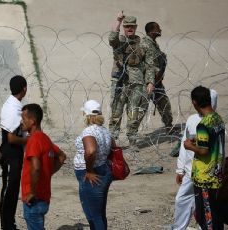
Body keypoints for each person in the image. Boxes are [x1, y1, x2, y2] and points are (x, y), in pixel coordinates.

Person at [172, 89, 218, 230]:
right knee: (182, 200)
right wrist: (180, 169)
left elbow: (204, 149)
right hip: (191, 171)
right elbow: (183, 146)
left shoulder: (209, 122)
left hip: (204, 173)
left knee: (204, 205)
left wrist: (190, 146)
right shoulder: (194, 120)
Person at [108, 11, 154, 144]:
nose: (129, 28)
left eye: (132, 26)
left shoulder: (143, 44)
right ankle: (113, 140)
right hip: (120, 81)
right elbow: (112, 38)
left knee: (133, 112)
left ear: (136, 27)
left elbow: (150, 64)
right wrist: (118, 20)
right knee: (116, 111)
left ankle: (132, 138)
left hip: (137, 82)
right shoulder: (120, 41)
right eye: (127, 26)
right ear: (123, 27)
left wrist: (150, 82)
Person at [184, 86, 226, 230]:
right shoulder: (217, 119)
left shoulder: (203, 124)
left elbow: (203, 151)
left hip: (205, 179)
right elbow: (211, 140)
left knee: (207, 218)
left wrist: (189, 146)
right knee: (216, 215)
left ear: (195, 103)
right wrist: (199, 139)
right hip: (218, 175)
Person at [20, 103, 66, 230]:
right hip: (44, 198)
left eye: (23, 118)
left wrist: (32, 192)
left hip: (34, 199)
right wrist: (48, 172)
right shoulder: (45, 139)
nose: (21, 122)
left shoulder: (34, 140)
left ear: (32, 121)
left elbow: (36, 167)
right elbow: (62, 157)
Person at [74, 100, 115, 230]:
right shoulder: (105, 131)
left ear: (86, 115)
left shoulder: (89, 132)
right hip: (103, 170)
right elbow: (114, 147)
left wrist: (90, 171)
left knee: (93, 216)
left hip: (92, 175)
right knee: (100, 214)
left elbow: (91, 151)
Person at [0, 75, 28, 230]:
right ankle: (7, 224)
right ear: (24, 88)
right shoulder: (13, 108)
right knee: (9, 189)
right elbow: (11, 138)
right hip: (11, 153)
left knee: (13, 188)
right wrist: (29, 141)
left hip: (14, 154)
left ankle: (9, 222)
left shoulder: (14, 104)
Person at [141, 22, 176, 134]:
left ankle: (168, 126)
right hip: (148, 82)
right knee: (141, 107)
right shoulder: (146, 44)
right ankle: (132, 133)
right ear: (152, 31)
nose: (160, 30)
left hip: (157, 81)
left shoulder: (153, 44)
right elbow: (149, 65)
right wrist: (152, 81)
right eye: (158, 28)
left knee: (164, 103)